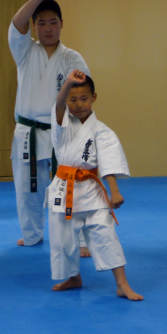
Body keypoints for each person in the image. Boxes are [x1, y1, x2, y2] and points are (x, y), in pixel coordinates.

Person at [47, 70, 142, 300]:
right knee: (63, 241)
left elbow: (109, 162)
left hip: (92, 191)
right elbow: (59, 105)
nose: (79, 104)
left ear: (94, 98)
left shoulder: (102, 131)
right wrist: (68, 83)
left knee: (106, 235)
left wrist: (115, 192)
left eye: (84, 99)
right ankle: (73, 277)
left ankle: (122, 284)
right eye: (72, 99)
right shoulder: (62, 123)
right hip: (64, 190)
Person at [9, 0, 90, 250]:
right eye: (41, 23)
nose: (47, 29)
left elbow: (82, 99)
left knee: (70, 187)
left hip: (62, 131)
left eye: (53, 23)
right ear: (33, 26)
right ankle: (32, 234)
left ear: (62, 24)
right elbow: (16, 22)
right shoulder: (24, 51)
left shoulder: (72, 57)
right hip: (28, 133)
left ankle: (79, 238)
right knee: (27, 189)